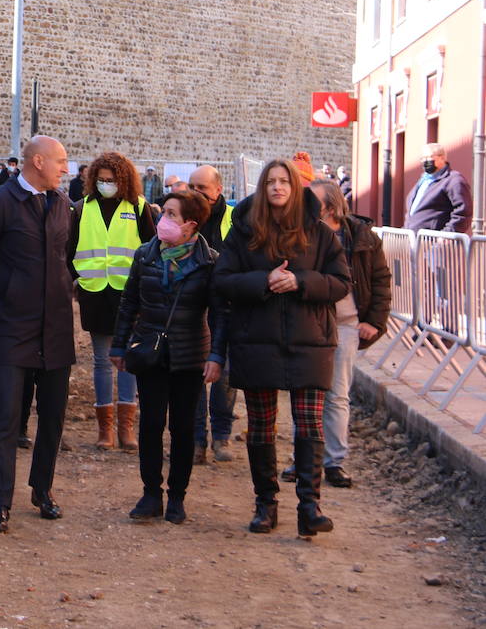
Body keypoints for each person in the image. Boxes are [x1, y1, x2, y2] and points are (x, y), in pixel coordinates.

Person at [212, 158, 350, 538]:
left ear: (294, 187)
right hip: (256, 338)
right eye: (270, 181)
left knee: (308, 425)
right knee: (261, 426)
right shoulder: (243, 230)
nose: (276, 187)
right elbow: (223, 279)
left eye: (283, 181)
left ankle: (310, 506)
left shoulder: (320, 233)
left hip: (310, 341)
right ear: (263, 187)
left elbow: (340, 282)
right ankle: (266, 504)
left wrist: (301, 281)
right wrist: (264, 280)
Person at [0, 136, 75, 534]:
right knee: (5, 419)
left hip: (57, 329)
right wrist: (1, 307)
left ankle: (42, 490)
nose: (66, 169)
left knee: (52, 417)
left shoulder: (62, 205)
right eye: (61, 162)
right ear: (38, 161)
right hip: (12, 330)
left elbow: (67, 259)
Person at [111, 190, 225, 525]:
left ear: (191, 224)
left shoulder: (209, 262)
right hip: (150, 352)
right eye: (165, 213)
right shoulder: (145, 255)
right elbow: (129, 302)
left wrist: (217, 356)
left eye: (172, 215)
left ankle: (177, 496)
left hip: (190, 356)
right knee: (150, 424)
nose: (164, 220)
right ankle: (150, 493)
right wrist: (119, 346)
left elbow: (219, 314)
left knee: (183, 428)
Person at [278, 180, 390, 490]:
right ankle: (302, 458)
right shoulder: (298, 232)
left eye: (312, 201)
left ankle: (334, 461)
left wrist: (375, 322)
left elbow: (380, 280)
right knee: (305, 393)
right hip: (309, 319)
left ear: (329, 205)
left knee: (337, 394)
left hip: (345, 323)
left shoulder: (360, 235)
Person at [68, 152, 156, 452]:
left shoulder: (139, 207)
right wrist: (75, 281)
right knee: (102, 361)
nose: (107, 184)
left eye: (112, 180)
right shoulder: (81, 209)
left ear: (124, 180)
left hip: (130, 295)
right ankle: (105, 428)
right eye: (102, 180)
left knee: (128, 361)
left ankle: (126, 427)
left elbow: (152, 249)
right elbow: (69, 252)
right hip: (95, 294)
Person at [186, 165, 236, 464]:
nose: (196, 192)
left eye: (202, 187)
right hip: (191, 307)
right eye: (192, 186)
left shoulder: (235, 218)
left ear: (218, 189)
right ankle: (195, 441)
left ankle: (222, 436)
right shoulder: (182, 215)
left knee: (224, 375)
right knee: (193, 374)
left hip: (226, 307)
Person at [405, 143, 473, 233]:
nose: (425, 161)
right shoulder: (424, 181)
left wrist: (446, 236)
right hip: (414, 240)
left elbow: (463, 213)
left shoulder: (453, 180)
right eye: (423, 158)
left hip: (434, 242)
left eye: (429, 157)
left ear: (442, 158)